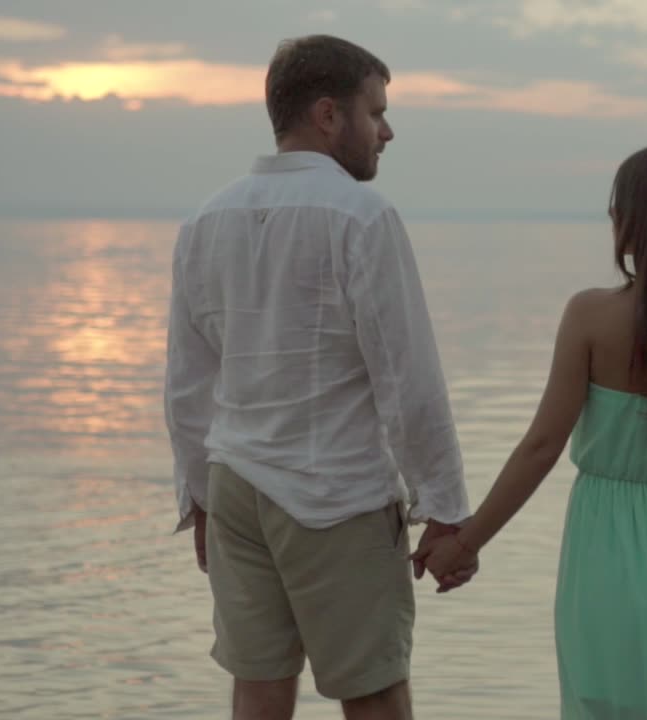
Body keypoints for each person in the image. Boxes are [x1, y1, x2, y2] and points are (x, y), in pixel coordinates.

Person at [164, 35, 474, 720]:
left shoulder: (205, 220)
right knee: (376, 696)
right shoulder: (362, 216)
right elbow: (408, 378)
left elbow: (188, 386)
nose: (387, 131)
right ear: (329, 115)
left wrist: (200, 499)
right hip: (334, 493)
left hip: (237, 488)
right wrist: (447, 511)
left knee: (259, 693)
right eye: (376, 111)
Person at [413, 145, 647, 719]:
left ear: (636, 222)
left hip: (610, 552)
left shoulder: (590, 316)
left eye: (616, 207)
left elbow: (540, 447)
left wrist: (467, 541)